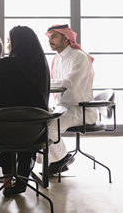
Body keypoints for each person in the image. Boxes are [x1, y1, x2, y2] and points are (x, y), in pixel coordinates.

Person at [0, 25, 50, 196]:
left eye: (9, 42)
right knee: (20, 126)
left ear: (18, 43)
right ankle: (21, 182)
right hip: (36, 132)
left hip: (4, 132)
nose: (8, 46)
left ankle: (7, 181)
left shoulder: (6, 64)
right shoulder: (42, 66)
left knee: (4, 121)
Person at [45, 24, 97, 175]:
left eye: (54, 36)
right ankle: (58, 159)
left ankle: (61, 159)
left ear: (66, 37)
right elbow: (55, 83)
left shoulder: (80, 56)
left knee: (50, 128)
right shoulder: (57, 58)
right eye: (49, 37)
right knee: (38, 120)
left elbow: (70, 83)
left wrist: (43, 83)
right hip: (62, 107)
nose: (50, 40)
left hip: (80, 109)